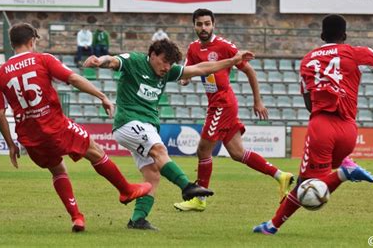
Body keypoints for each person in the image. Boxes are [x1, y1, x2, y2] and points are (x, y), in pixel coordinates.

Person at [253, 14, 373, 235]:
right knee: (314, 180)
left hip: (322, 127)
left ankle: (341, 174)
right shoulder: (356, 52)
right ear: (345, 35)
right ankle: (273, 225)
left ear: (322, 35)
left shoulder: (307, 60)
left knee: (305, 182)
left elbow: (308, 103)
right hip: (349, 129)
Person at [0, 23, 152, 233]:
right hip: (55, 125)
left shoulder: (0, 73)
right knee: (95, 152)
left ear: (12, 44)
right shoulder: (43, 59)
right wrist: (102, 96)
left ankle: (77, 217)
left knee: (57, 169)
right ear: (32, 40)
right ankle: (126, 190)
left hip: (29, 136)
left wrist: (11, 145)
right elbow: (73, 78)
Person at [83, 38, 254, 230]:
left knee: (152, 174)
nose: (167, 67)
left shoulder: (169, 72)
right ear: (153, 54)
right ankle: (187, 187)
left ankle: (138, 220)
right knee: (158, 149)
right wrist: (100, 60)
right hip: (128, 121)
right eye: (164, 61)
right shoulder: (134, 61)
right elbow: (113, 61)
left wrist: (232, 61)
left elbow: (202, 69)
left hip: (147, 125)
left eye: (170, 63)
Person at [173, 8, 294, 212]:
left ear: (213, 25)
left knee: (203, 149)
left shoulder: (224, 46)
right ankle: (281, 176)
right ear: (194, 25)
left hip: (222, 103)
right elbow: (188, 71)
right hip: (216, 102)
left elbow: (249, 70)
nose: (203, 28)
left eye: (207, 24)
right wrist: (185, 79)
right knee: (238, 153)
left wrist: (258, 101)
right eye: (199, 24)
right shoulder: (193, 48)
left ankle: (199, 199)